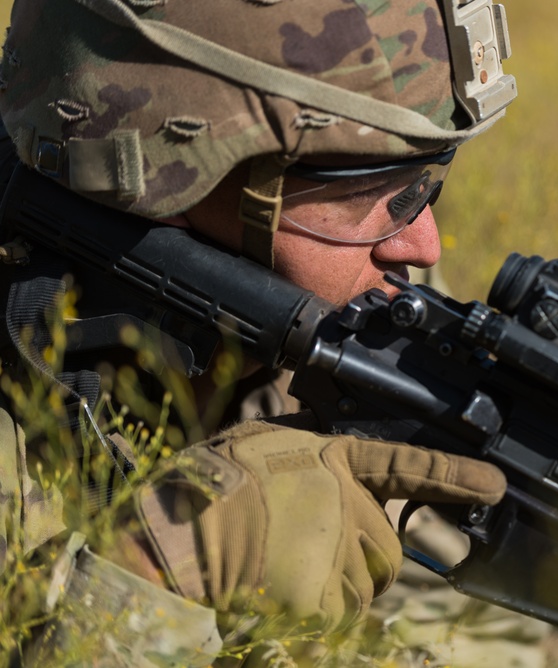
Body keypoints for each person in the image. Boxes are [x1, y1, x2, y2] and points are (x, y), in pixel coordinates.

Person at [0, 0, 524, 665]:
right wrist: (155, 572)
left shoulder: (337, 316)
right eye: (380, 193)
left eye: (428, 185)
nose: (422, 245)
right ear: (172, 173)